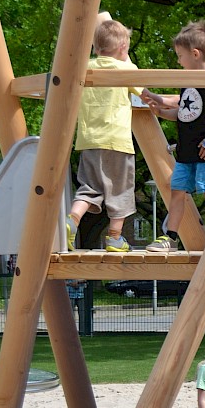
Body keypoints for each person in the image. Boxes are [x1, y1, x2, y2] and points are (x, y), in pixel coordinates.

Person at [141, 20, 205, 256]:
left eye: (180, 56)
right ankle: (170, 238)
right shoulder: (188, 82)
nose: (178, 61)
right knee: (177, 191)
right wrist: (161, 111)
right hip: (186, 152)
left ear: (195, 54)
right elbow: (184, 112)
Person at [66, 18, 142, 253]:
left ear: (95, 47)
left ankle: (72, 220)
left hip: (89, 141)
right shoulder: (126, 69)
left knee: (89, 188)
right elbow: (142, 91)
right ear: (123, 47)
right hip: (117, 141)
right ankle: (114, 238)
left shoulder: (85, 68)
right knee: (120, 190)